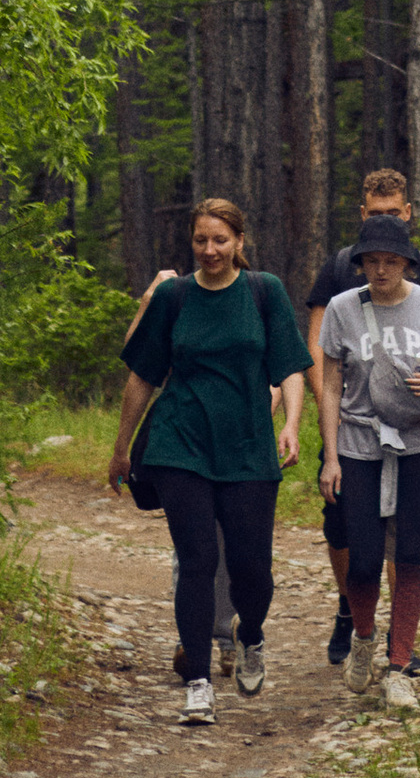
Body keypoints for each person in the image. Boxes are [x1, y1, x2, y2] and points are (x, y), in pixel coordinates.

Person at [108, 195, 307, 728]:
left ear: (239, 242)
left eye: (221, 240)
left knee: (251, 570)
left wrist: (289, 425)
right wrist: (122, 447)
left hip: (246, 444)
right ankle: (197, 682)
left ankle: (252, 636)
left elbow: (290, 367)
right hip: (181, 444)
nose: (211, 250)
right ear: (191, 243)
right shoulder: (173, 296)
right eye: (201, 240)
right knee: (196, 561)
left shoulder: (264, 292)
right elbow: (142, 376)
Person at [305, 171, 420, 669]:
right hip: (358, 442)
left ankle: (399, 662)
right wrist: (329, 456)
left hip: (418, 444)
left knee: (410, 555)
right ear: (360, 261)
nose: (381, 269)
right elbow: (328, 381)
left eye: (391, 261)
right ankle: (364, 635)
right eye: (372, 261)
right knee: (364, 557)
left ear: (408, 262)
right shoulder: (343, 308)